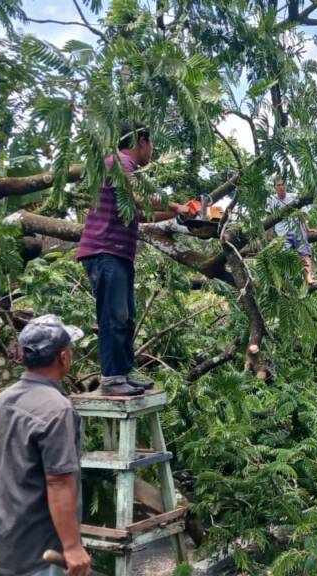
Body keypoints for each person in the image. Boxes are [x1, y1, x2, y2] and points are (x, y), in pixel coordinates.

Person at [77, 122, 192, 396]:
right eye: (151, 145)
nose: (152, 151)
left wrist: (178, 215)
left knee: (126, 316)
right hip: (105, 252)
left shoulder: (123, 168)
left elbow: (139, 214)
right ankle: (113, 380)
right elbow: (138, 199)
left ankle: (123, 373)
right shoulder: (117, 163)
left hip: (118, 254)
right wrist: (176, 205)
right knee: (113, 316)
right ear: (141, 142)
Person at [0, 315, 91, 576]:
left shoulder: (1, 402)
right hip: (40, 556)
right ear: (64, 357)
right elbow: (58, 481)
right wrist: (73, 546)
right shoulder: (56, 409)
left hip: (1, 549)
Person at [267, 176, 317, 285]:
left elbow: (301, 215)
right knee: (283, 256)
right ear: (275, 187)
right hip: (282, 234)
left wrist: (307, 228)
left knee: (304, 253)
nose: (281, 187)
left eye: (283, 185)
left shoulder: (294, 197)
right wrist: (267, 235)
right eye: (278, 185)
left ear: (286, 186)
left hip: (297, 229)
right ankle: (282, 282)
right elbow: (268, 220)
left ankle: (309, 277)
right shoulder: (271, 200)